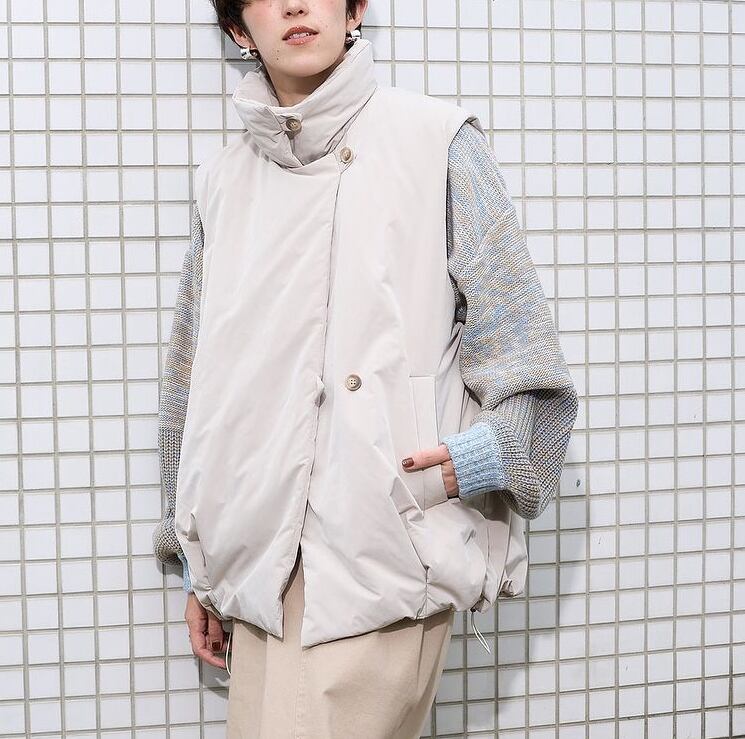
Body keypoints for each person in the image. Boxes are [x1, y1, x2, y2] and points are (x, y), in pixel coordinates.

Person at [152, 1, 579, 736]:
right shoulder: (224, 179)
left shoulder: (433, 140)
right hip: (255, 560)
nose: (294, 4)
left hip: (377, 542)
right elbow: (195, 378)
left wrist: (480, 457)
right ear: (238, 30)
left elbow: (519, 337)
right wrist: (200, 559)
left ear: (354, 9)